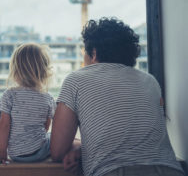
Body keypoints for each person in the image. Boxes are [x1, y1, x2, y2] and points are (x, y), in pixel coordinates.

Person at [50, 18, 184, 176]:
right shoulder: (150, 81)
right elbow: (130, 137)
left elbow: (58, 151)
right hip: (171, 170)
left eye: (84, 52)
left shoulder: (76, 80)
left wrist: (77, 147)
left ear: (93, 53)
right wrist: (82, 150)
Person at [0, 43, 55, 165]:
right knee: (59, 137)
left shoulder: (10, 94)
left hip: (16, 155)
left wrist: (2, 152)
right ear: (44, 72)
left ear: (16, 71)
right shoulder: (48, 98)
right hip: (41, 152)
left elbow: (4, 125)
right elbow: (46, 125)